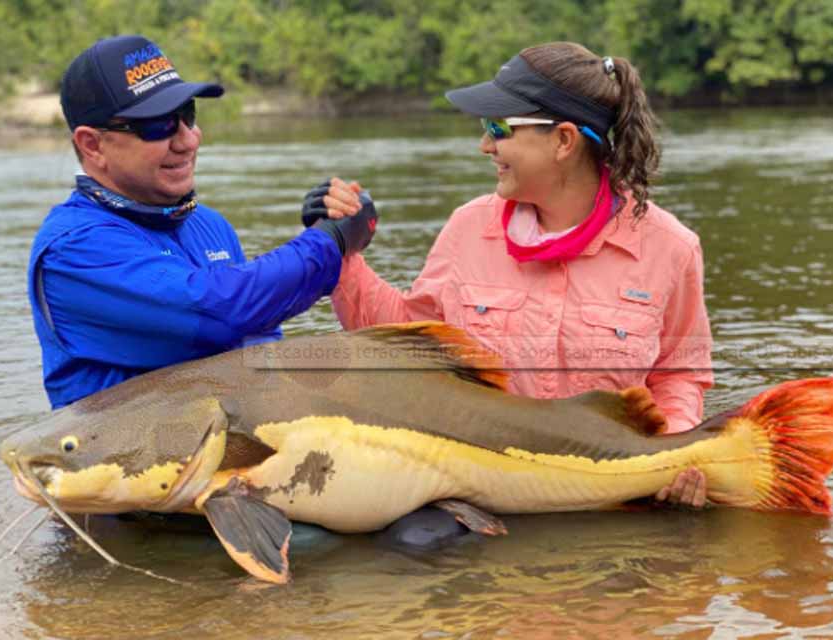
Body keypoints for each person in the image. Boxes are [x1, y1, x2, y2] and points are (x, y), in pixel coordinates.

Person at [306, 42, 713, 509]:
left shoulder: (672, 248)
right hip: (485, 490)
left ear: (564, 141)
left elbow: (680, 374)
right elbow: (408, 342)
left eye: (498, 127)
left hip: (612, 498)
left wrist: (676, 455)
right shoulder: (468, 228)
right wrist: (338, 248)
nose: (485, 145)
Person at [28, 35, 376, 409]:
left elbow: (259, 347)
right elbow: (220, 312)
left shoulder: (209, 225)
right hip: (126, 445)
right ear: (93, 145)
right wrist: (328, 241)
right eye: (158, 124)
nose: (188, 140)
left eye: (188, 114)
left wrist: (326, 225)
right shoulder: (71, 250)